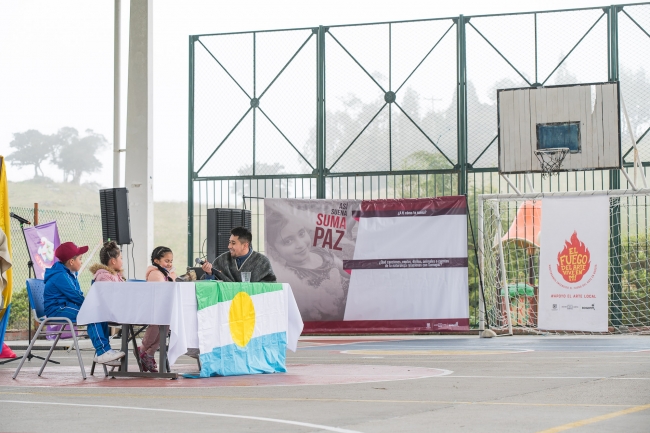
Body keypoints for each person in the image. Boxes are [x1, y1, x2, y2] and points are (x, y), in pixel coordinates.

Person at [43, 242, 125, 365]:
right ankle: (103, 351)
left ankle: (104, 352)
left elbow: (78, 295)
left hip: (66, 306)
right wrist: (91, 305)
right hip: (57, 310)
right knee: (91, 314)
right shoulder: (60, 276)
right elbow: (75, 296)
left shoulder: (69, 274)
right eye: (80, 259)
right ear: (71, 261)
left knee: (98, 313)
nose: (82, 262)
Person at [265, 209, 350, 321]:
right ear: (274, 250)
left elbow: (349, 271)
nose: (300, 244)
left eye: (301, 233)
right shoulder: (292, 279)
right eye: (288, 241)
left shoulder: (323, 252)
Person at [138, 246, 178, 372]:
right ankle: (142, 350)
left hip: (163, 310)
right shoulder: (155, 274)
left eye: (171, 261)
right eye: (166, 261)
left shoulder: (166, 273)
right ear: (156, 261)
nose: (169, 264)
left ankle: (148, 354)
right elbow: (164, 291)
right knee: (157, 325)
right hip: (153, 310)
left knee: (165, 327)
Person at [201, 226, 276, 283]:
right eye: (229, 242)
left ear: (245, 245)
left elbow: (270, 287)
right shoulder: (222, 260)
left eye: (233, 243)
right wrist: (209, 273)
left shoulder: (262, 262)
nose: (229, 246)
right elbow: (210, 286)